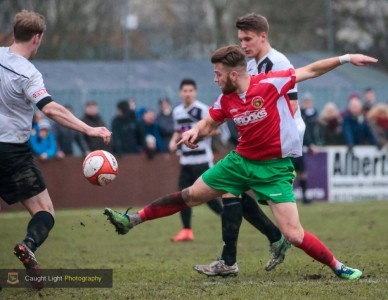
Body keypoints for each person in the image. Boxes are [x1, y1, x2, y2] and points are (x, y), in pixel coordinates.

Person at [104, 45, 377, 281]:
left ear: (234, 74)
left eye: (217, 74)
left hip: (273, 169)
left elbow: (311, 70)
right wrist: (194, 131)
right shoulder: (226, 98)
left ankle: (338, 266)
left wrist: (346, 58)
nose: (214, 79)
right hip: (238, 162)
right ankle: (132, 220)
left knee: (293, 234)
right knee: (191, 194)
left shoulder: (269, 83)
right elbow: (210, 120)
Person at [0, 10, 111, 289]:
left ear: (14, 33)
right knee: (45, 211)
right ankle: (28, 244)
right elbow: (49, 108)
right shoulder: (28, 73)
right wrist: (89, 129)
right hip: (12, 152)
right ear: (37, 38)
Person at [195, 13, 303, 276]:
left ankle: (244, 254)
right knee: (230, 192)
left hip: (276, 145)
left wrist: (262, 133)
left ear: (262, 36)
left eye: (247, 38)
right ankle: (239, 256)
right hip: (255, 142)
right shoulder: (251, 64)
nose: (242, 44)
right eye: (240, 39)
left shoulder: (277, 62)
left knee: (233, 192)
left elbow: (292, 103)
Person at [168, 78, 223, 242]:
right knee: (183, 196)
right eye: (185, 91)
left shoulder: (201, 109)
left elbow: (215, 131)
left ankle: (226, 217)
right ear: (180, 93)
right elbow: (178, 131)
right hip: (185, 161)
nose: (187, 93)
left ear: (195, 92)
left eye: (190, 90)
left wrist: (196, 135)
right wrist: (173, 142)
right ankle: (186, 230)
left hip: (202, 161)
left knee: (208, 197)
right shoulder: (177, 111)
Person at [292, 94, 320, 204]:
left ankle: (304, 197)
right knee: (289, 174)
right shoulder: (298, 114)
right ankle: (288, 198)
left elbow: (305, 132)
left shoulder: (301, 115)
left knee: (302, 173)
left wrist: (310, 145)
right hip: (288, 149)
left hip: (298, 148)